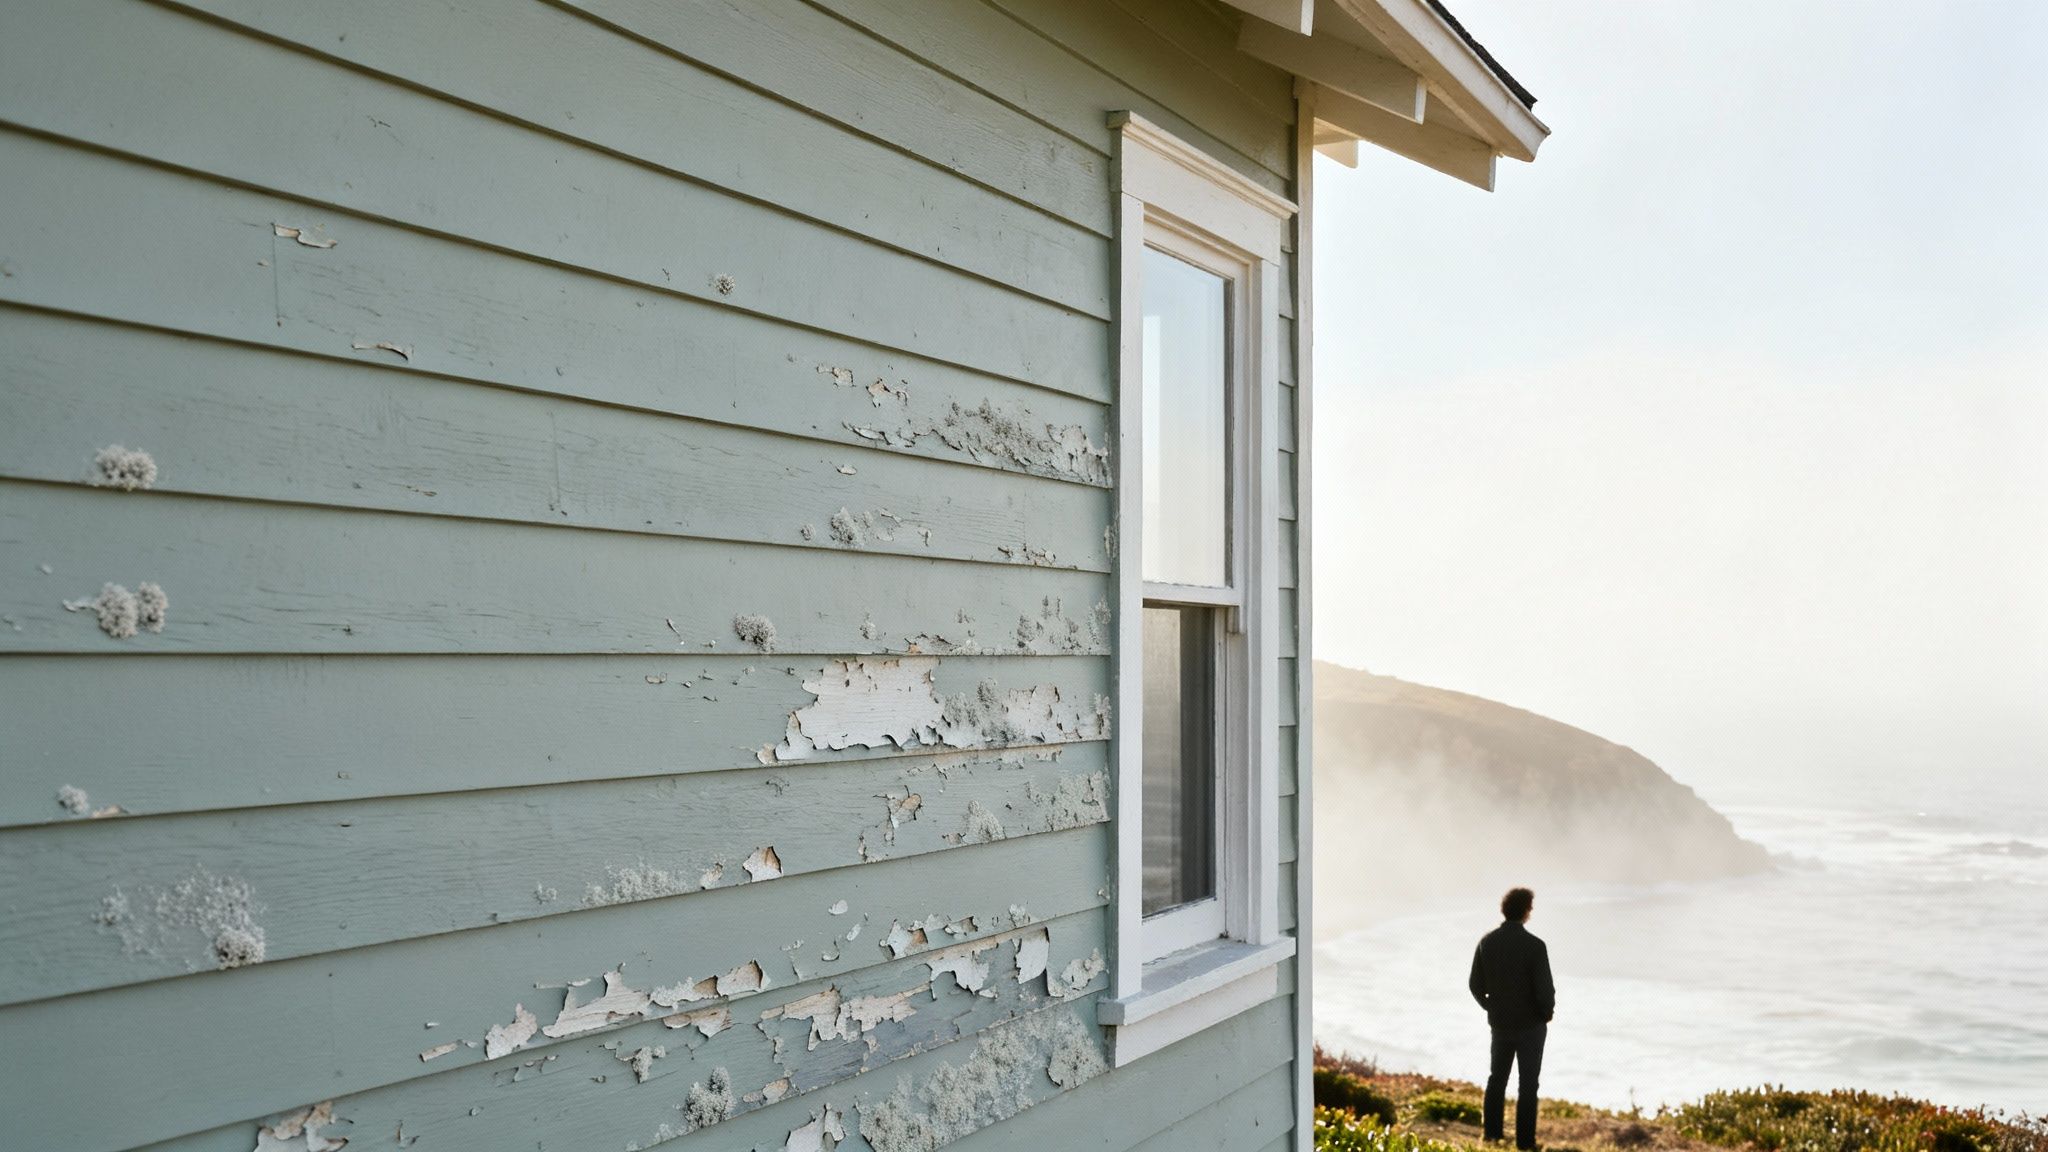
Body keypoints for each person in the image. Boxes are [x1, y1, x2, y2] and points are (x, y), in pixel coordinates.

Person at [1468, 886, 1555, 1150]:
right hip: (1530, 1026)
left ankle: (1492, 1135)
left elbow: (1474, 984)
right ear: (1526, 910)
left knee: (1497, 1079)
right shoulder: (1535, 946)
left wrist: (1491, 1006)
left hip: (1500, 1023)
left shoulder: (1487, 942)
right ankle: (1525, 1143)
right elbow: (1544, 990)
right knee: (1528, 1085)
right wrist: (1546, 1014)